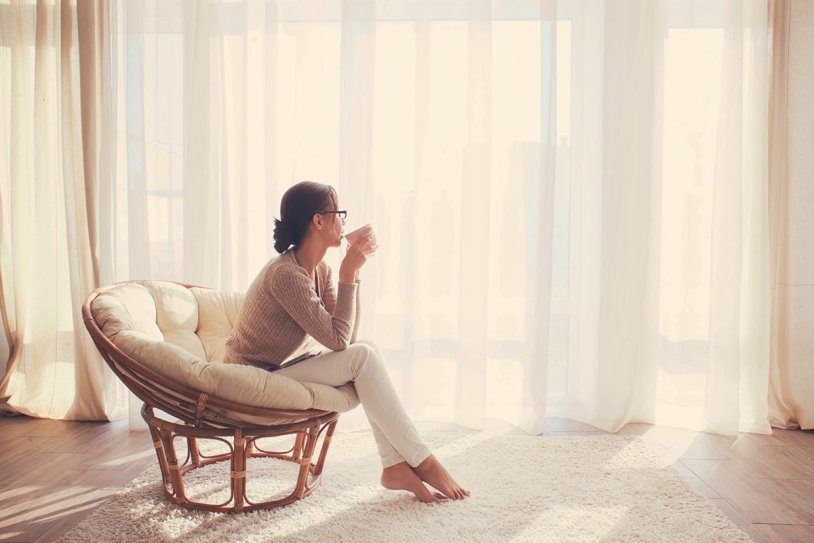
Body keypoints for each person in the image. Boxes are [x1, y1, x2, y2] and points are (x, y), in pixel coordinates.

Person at [225, 181, 469, 504]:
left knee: (367, 351)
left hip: (276, 370)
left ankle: (395, 465)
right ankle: (423, 461)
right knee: (363, 357)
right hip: (251, 379)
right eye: (338, 212)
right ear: (318, 221)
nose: (344, 221)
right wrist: (348, 270)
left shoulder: (319, 270)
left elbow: (347, 338)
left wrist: (352, 275)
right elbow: (340, 340)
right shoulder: (286, 274)